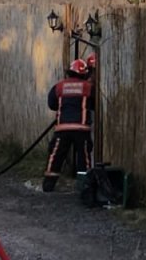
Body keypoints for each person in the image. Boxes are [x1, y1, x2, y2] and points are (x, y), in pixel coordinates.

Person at [42, 54, 96, 192]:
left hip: (62, 128)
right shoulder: (88, 87)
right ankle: (85, 186)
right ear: (84, 74)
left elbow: (52, 104)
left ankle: (48, 185)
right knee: (83, 157)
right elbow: (94, 104)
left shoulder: (59, 86)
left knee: (56, 155)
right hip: (81, 129)